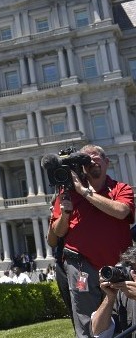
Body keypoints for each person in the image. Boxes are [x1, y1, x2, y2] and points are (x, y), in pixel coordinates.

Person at [48, 144, 135, 337]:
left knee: (124, 317)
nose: (92, 160)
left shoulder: (121, 188)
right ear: (82, 166)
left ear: (106, 162)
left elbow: (121, 212)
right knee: (86, 322)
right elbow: (57, 234)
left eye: (97, 157)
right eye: (86, 159)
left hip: (117, 264)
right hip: (81, 265)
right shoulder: (67, 193)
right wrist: (65, 213)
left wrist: (85, 192)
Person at [91, 245, 136, 337]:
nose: (133, 275)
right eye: (131, 270)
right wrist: (110, 297)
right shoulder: (124, 293)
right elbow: (98, 332)